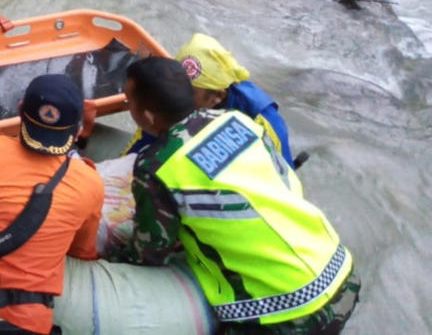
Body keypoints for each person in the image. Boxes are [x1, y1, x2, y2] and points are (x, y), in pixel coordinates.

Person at [113, 57, 359, 334]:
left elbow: (150, 252)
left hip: (285, 311)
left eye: (128, 102)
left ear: (147, 116)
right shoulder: (238, 121)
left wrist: (112, 254)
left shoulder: (156, 165)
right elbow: (288, 183)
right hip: (340, 272)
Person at [0, 74, 104, 335]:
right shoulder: (91, 183)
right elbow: (83, 252)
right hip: (27, 321)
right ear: (79, 130)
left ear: (21, 110)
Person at [176, 32, 295, 166]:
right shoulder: (172, 91)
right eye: (176, 83)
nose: (177, 94)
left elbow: (283, 176)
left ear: (218, 96)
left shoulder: (262, 120)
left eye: (189, 91)